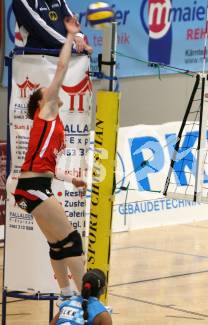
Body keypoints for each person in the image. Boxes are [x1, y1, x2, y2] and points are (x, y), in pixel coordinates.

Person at [13, 17, 86, 297]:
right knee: (72, 239)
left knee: (58, 245)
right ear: (42, 102)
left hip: (34, 186)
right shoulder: (46, 113)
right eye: (47, 91)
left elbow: (49, 168)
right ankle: (88, 302)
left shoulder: (52, 125)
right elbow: (63, 67)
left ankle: (67, 299)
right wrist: (70, 36)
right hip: (32, 188)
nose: (52, 89)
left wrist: (70, 179)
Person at [12, 0, 92, 53]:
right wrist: (73, 45)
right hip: (37, 61)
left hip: (64, 56)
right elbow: (42, 30)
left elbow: (71, 21)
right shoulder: (22, 1)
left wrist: (78, 36)